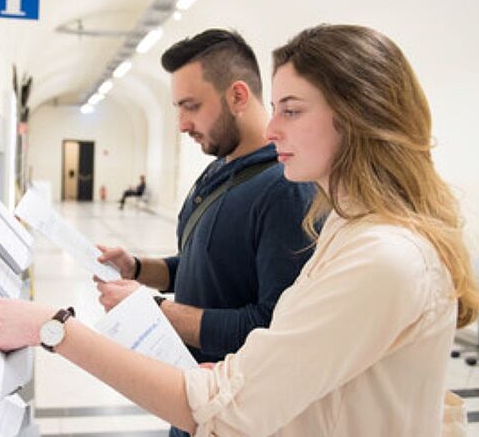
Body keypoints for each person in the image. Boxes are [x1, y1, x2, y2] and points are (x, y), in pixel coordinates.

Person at [0, 24, 479, 436]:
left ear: (357, 117)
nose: (272, 129)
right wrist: (235, 374)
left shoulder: (382, 256)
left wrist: (55, 327)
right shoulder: (347, 227)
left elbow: (225, 412)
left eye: (291, 110)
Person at [99, 29, 316, 393]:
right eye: (179, 108)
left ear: (237, 96)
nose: (183, 124)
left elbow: (272, 326)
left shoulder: (285, 189)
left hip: (234, 402)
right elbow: (209, 267)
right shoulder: (219, 167)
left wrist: (154, 310)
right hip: (193, 388)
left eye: (192, 106)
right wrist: (137, 268)